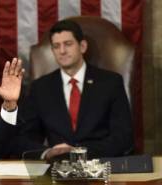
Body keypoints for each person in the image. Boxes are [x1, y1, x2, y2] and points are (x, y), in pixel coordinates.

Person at [10, 19, 134, 160]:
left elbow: (123, 138)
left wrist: (80, 152)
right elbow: (25, 138)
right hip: (57, 169)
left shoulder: (110, 83)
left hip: (100, 165)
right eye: (56, 46)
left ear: (82, 46)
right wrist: (47, 152)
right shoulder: (41, 88)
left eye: (68, 44)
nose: (62, 51)